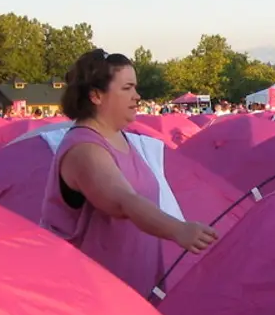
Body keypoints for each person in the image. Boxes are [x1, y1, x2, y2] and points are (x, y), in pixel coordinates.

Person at [40, 50, 218, 297]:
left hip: (136, 291)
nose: (137, 96)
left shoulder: (119, 137)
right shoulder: (85, 150)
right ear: (96, 95)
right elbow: (124, 201)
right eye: (127, 88)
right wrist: (179, 229)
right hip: (95, 297)